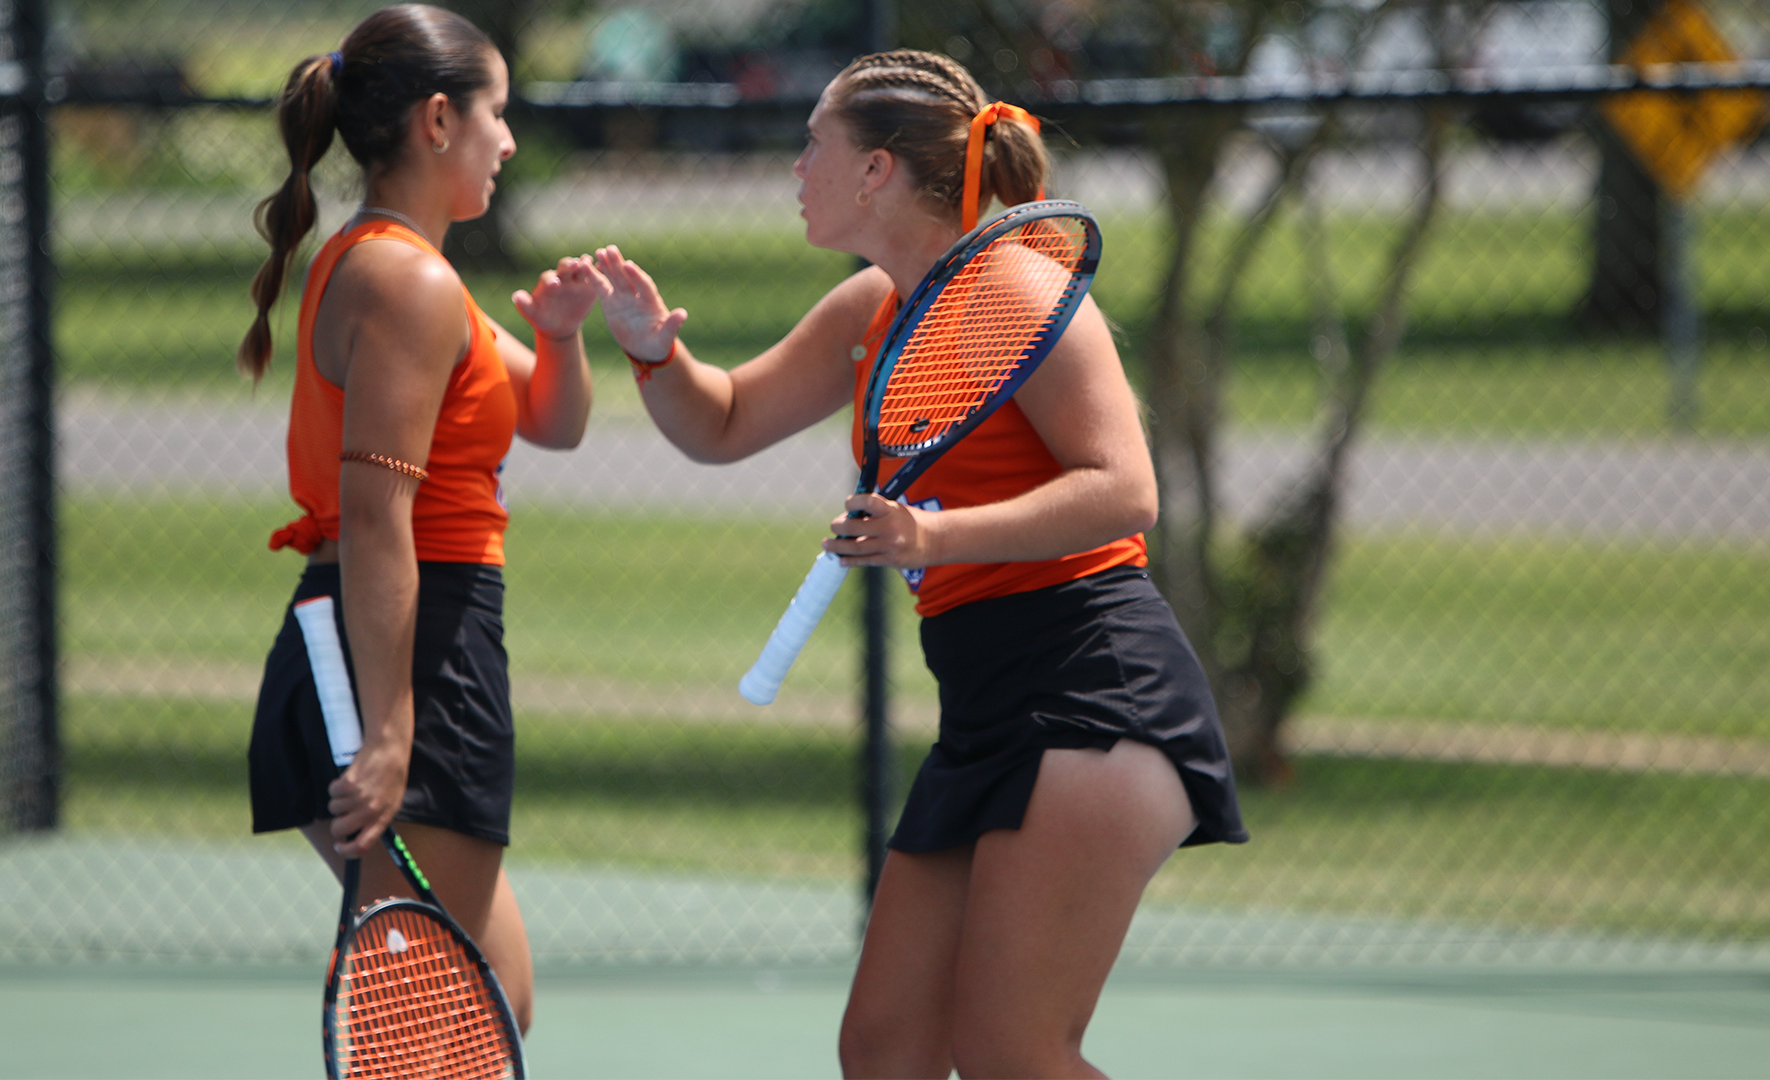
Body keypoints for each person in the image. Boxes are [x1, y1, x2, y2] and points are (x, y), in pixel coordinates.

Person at [592, 50, 1247, 1079]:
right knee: (886, 1049)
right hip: (985, 706)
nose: (796, 164)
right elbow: (720, 423)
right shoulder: (874, 312)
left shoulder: (1020, 287)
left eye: (816, 142)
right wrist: (649, 349)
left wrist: (933, 537)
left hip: (1090, 691)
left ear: (878, 170)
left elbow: (1125, 489)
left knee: (1014, 1056)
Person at [241, 4, 604, 1033]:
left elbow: (554, 420)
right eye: (500, 114)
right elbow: (374, 520)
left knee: (484, 1006)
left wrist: (566, 336)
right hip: (407, 653)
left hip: (398, 646)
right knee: (451, 1021)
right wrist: (391, 732)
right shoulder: (404, 280)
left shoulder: (408, 269)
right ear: (439, 121)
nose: (511, 141)